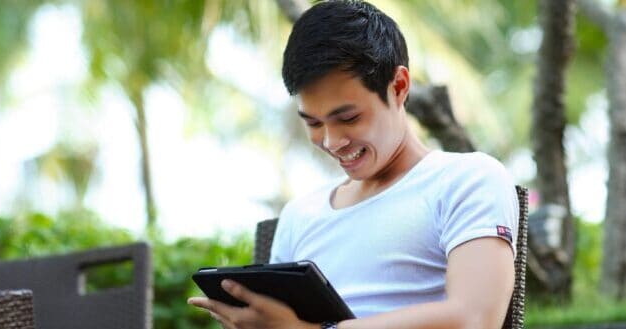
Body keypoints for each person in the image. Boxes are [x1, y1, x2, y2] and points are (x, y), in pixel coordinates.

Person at [188, 1, 518, 328]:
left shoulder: (467, 180)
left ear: (400, 87)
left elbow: (474, 319)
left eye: (348, 117)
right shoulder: (300, 214)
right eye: (314, 123)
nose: (332, 141)